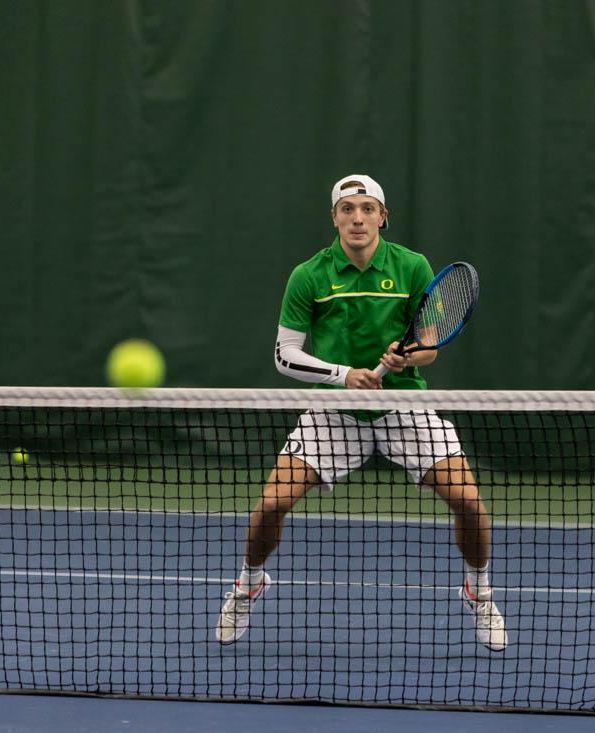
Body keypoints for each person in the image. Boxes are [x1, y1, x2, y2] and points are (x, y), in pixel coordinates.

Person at [214, 174, 506, 651]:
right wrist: (342, 375)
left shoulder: (412, 267)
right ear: (334, 217)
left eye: (367, 208)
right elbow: (284, 355)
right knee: (271, 504)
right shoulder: (308, 275)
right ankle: (248, 585)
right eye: (348, 208)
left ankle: (479, 590)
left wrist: (407, 356)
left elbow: (429, 345)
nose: (357, 218)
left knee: (471, 504)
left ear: (382, 216)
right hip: (334, 413)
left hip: (403, 406)